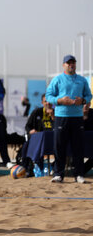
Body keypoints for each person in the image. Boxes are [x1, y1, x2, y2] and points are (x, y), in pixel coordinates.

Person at [46, 55, 92, 183]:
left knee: (78, 146)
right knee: (59, 146)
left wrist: (82, 100)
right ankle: (58, 174)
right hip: (62, 117)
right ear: (63, 65)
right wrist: (59, 100)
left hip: (77, 117)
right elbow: (49, 95)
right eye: (68, 63)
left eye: (73, 63)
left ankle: (79, 175)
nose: (71, 65)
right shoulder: (57, 80)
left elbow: (89, 95)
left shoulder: (82, 80)